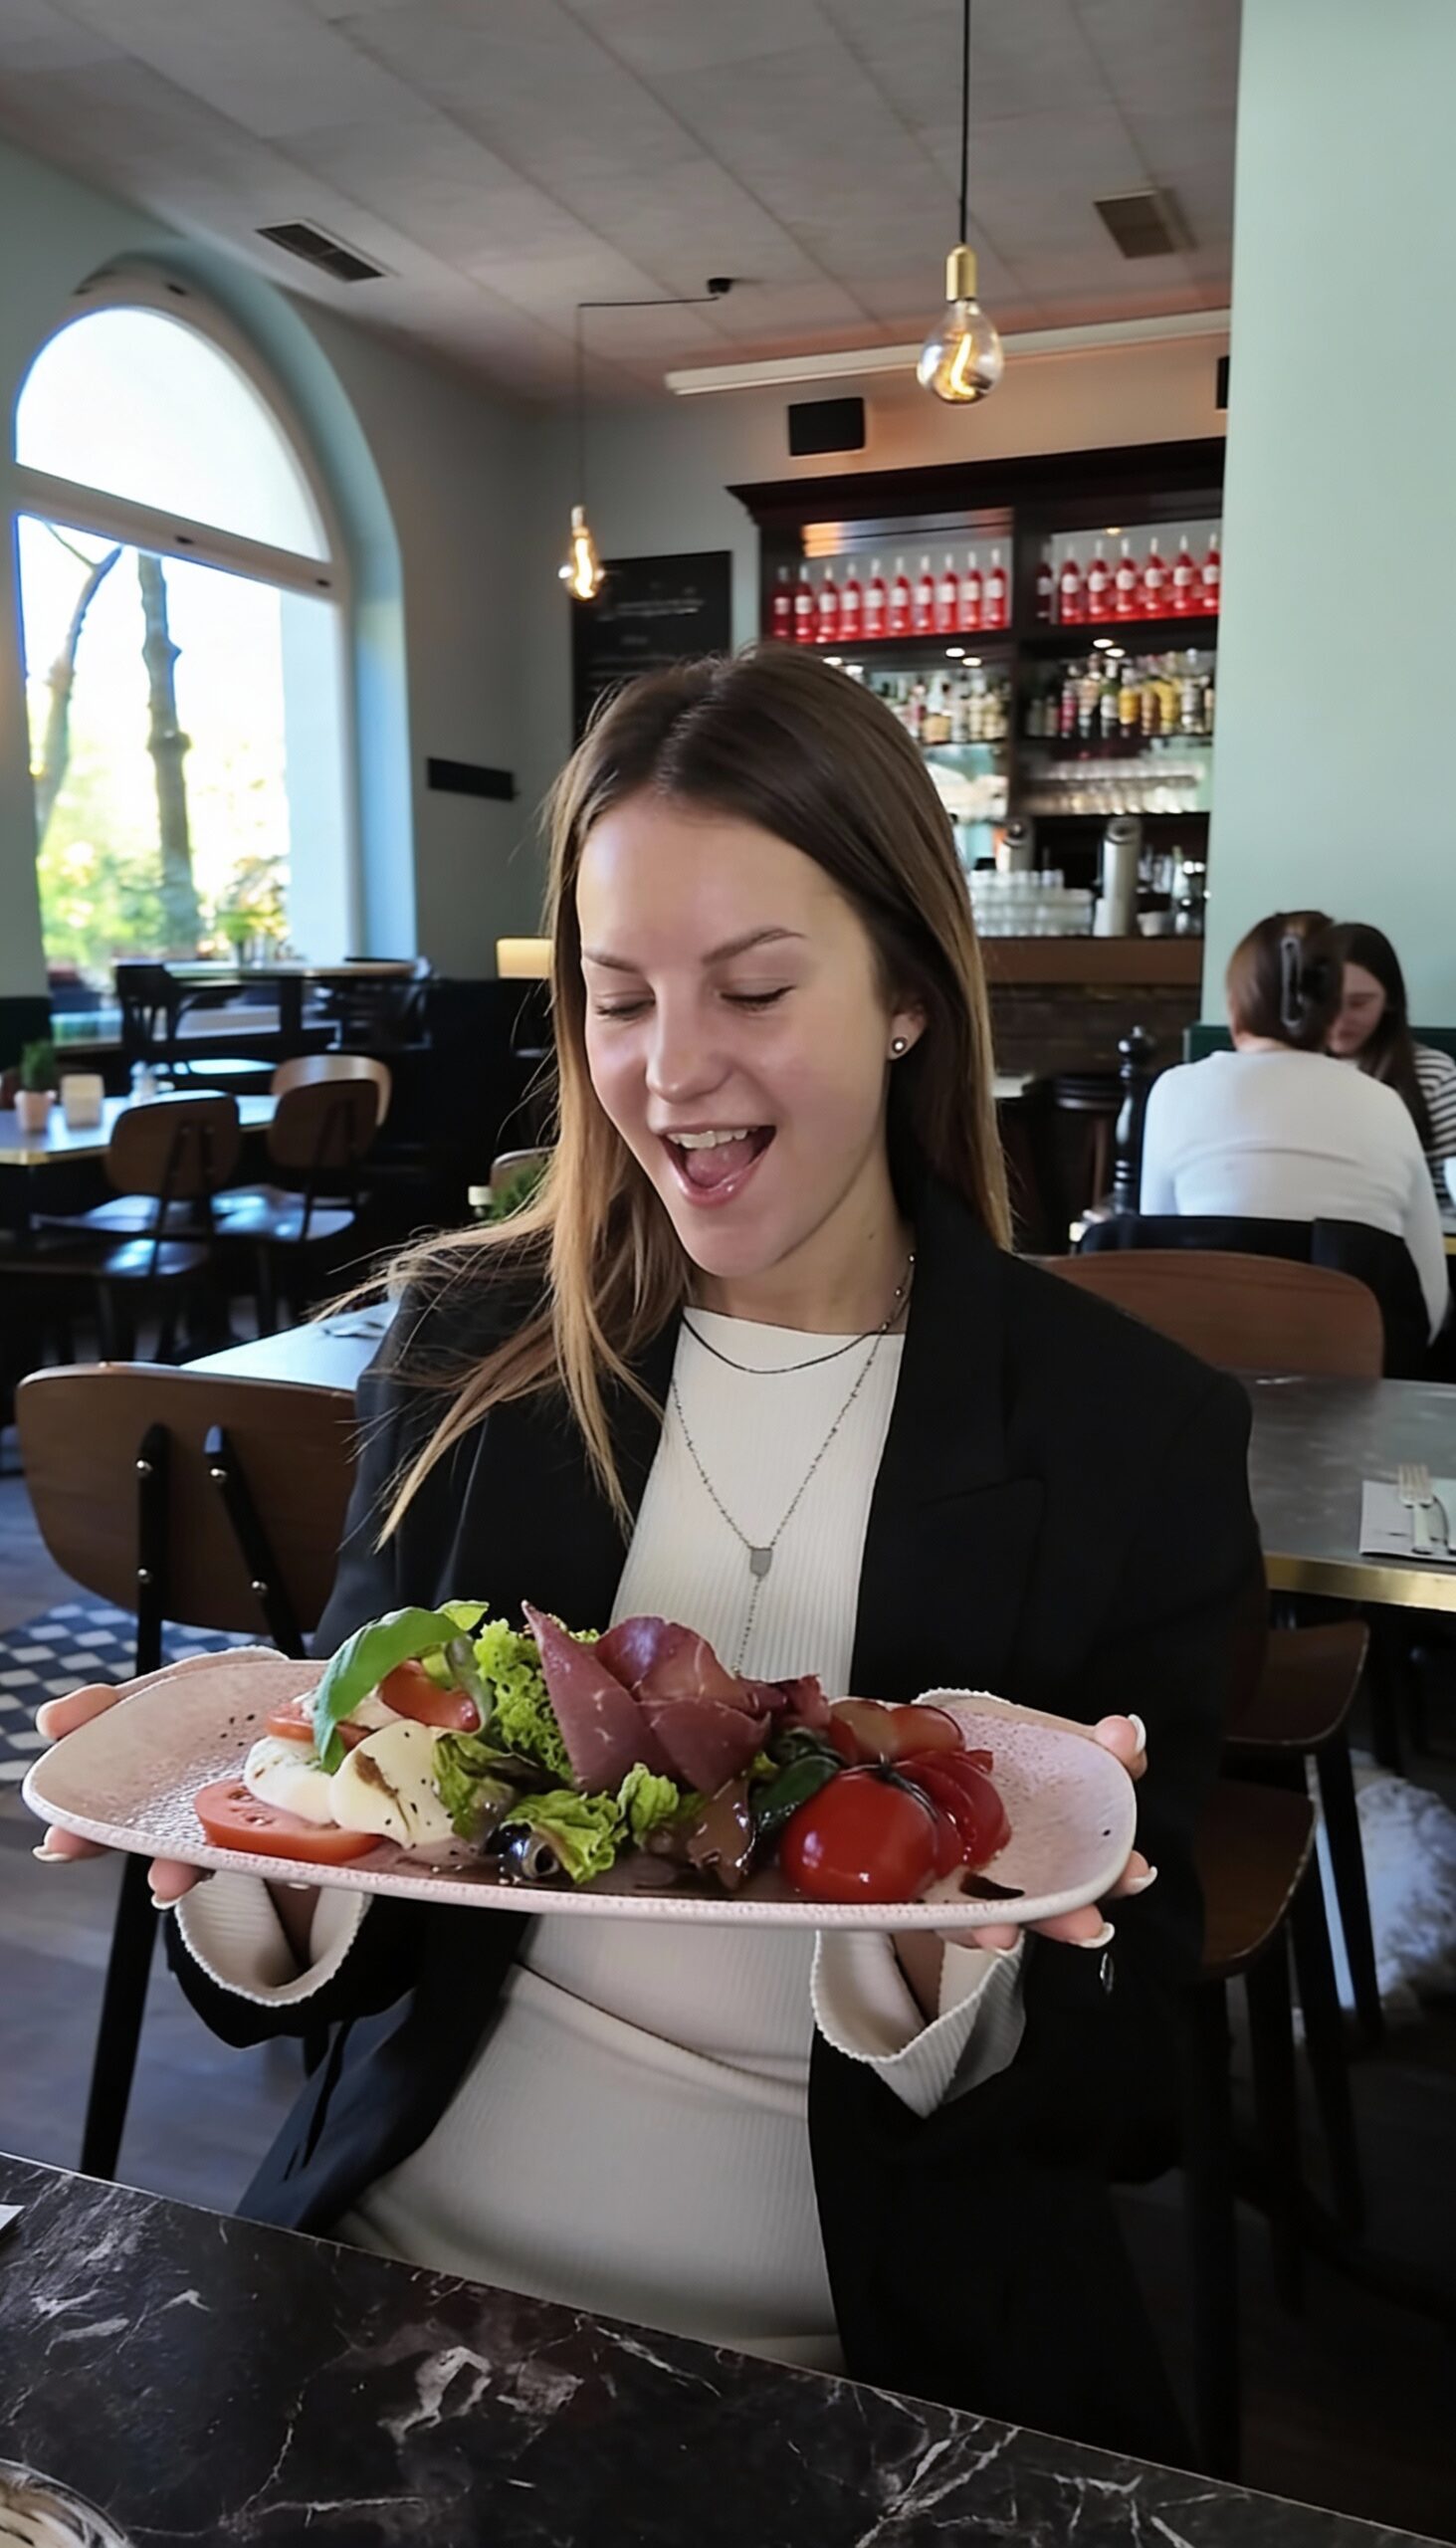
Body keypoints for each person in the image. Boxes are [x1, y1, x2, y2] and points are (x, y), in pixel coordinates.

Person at [34, 647, 1260, 2465]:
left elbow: (1130, 2088)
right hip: (397, 2269)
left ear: (906, 993)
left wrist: (962, 1971)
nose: (672, 1072)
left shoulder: (1124, 1429)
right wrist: (252, 1848)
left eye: (752, 988)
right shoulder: (467, 1348)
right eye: (615, 1000)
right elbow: (319, 1939)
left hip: (868, 2345)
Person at [1140, 908, 1448, 1342]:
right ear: (1331, 1007)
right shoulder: (1385, 1103)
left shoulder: (1174, 1091)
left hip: (1207, 1362)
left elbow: (1153, 1260)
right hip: (1358, 1369)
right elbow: (1430, 1302)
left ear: (1234, 1006)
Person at [1326, 920, 1456, 1203]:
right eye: (1328, 1002)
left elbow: (1450, 1191)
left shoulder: (1434, 1075)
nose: (1340, 1019)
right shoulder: (1288, 1071)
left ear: (1390, 1001)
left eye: (1359, 1003)